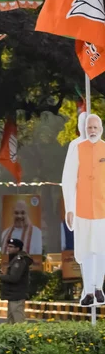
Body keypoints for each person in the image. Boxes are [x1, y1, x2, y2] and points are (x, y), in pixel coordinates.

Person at [62, 113, 105, 306]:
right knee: (86, 250)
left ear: (101, 128)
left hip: (103, 210)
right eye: (90, 128)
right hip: (82, 209)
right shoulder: (77, 149)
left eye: (95, 127)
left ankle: (98, 288)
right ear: (84, 130)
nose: (93, 131)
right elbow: (69, 180)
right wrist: (69, 208)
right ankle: (88, 291)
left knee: (101, 251)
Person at [0, 238, 32, 324]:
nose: (8, 248)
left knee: (18, 321)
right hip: (13, 295)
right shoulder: (14, 259)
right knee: (11, 321)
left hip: (17, 294)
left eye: (11, 247)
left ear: (18, 248)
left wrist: (1, 276)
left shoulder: (19, 260)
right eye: (8, 246)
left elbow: (14, 278)